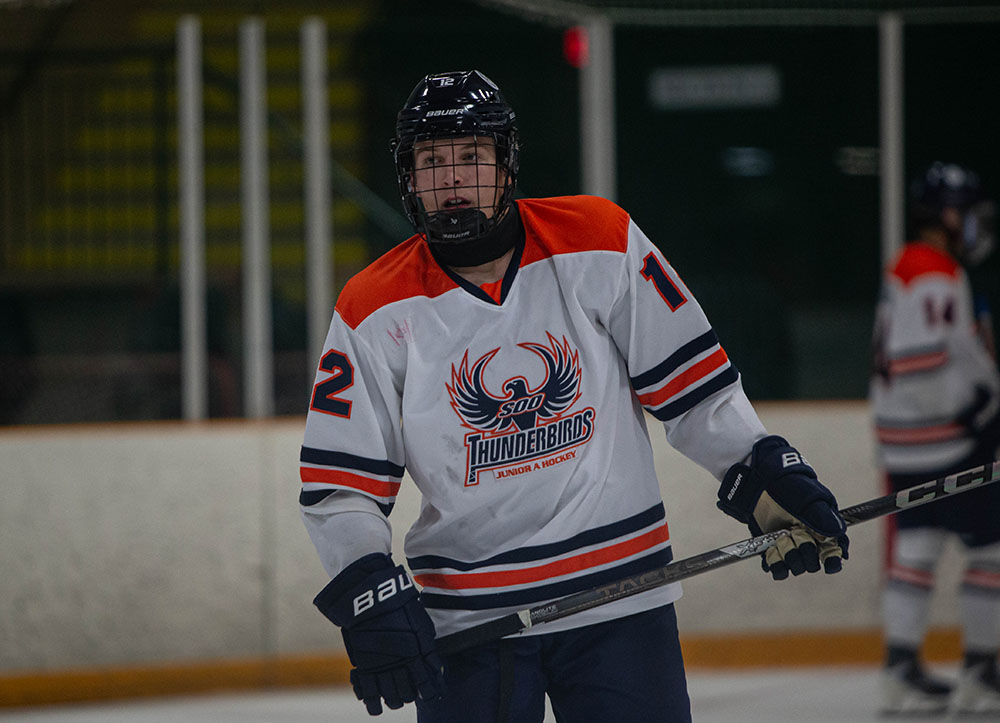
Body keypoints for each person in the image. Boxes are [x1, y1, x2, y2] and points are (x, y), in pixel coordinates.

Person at [300, 69, 849, 722]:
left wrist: (760, 472)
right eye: (432, 161)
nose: (452, 180)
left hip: (622, 599)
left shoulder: (598, 241)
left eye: (471, 156)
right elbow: (343, 487)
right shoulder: (372, 307)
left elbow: (696, 394)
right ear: (408, 177)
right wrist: (369, 585)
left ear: (506, 163)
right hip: (472, 623)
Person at [871, 161, 1000, 715]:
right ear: (946, 214)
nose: (974, 224)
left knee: (917, 548)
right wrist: (974, 408)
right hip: (945, 440)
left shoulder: (911, 264)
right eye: (967, 212)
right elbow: (917, 359)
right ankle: (982, 672)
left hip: (905, 440)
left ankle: (899, 669)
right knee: (992, 550)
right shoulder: (929, 269)